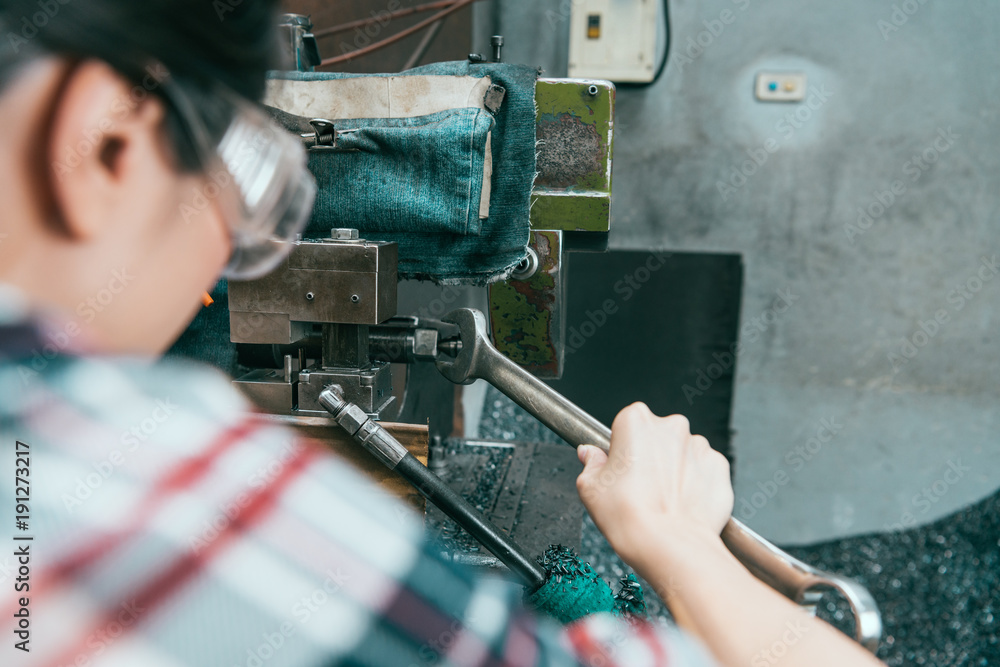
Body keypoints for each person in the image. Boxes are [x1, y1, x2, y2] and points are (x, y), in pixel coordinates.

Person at [0, 1, 885, 665]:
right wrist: (681, 541)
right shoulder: (143, 477)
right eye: (244, 190)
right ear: (104, 140)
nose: (224, 264)